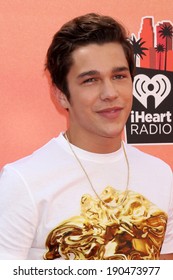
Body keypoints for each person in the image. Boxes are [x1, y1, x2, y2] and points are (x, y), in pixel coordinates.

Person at [0, 13, 173, 260]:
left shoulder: (161, 174)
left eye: (119, 76)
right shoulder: (22, 181)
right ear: (61, 95)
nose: (110, 93)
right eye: (91, 80)